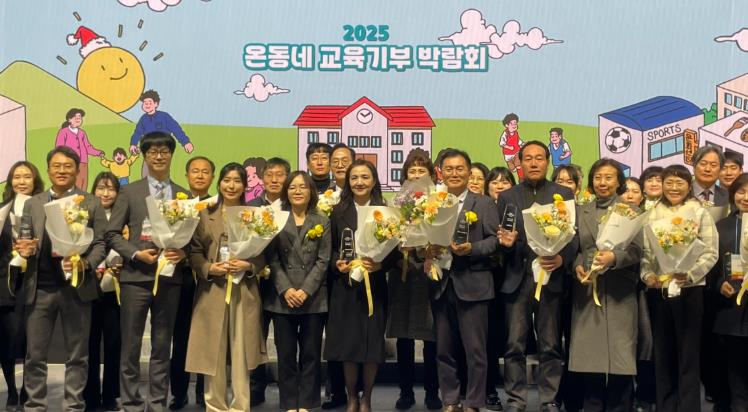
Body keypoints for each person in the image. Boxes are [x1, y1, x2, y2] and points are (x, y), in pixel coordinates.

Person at [106, 132, 190, 412]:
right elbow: (112, 233)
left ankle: (156, 404)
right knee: (130, 347)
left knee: (162, 346)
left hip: (169, 279)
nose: (159, 156)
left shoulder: (184, 195)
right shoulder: (129, 192)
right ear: (144, 156)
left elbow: (193, 239)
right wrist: (134, 253)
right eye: (152, 151)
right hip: (135, 278)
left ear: (171, 154)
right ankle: (131, 404)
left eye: (164, 151)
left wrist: (183, 253)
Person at [20, 147, 107, 411]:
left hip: (76, 288)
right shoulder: (33, 203)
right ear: (48, 170)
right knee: (35, 356)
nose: (61, 171)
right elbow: (24, 236)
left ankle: (73, 406)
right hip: (40, 288)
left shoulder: (90, 202)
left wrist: (85, 263)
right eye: (56, 166)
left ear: (77, 170)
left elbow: (101, 243)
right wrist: (24, 248)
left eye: (68, 166)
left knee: (78, 356)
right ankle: (35, 405)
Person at [497, 141, 577, 412]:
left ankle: (549, 399)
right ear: (520, 163)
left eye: (539, 158)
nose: (533, 163)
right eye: (528, 158)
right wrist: (506, 244)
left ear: (547, 162)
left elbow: (574, 236)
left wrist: (562, 258)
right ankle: (516, 399)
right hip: (517, 280)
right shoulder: (508, 196)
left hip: (550, 279)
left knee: (550, 345)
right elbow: (502, 236)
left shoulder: (563, 194)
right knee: (514, 345)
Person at [185, 163, 267, 411]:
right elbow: (194, 252)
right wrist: (209, 268)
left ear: (245, 186)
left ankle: (240, 405)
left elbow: (264, 254)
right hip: (212, 290)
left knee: (241, 350)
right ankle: (215, 405)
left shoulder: (254, 215)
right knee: (213, 350)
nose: (231, 186)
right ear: (219, 183)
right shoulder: (204, 214)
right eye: (227, 180)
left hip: (244, 289)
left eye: (237, 181)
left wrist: (248, 265)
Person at [426, 149, 500, 412]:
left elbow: (494, 241)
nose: (454, 173)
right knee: (444, 350)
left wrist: (472, 249)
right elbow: (421, 238)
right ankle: (450, 400)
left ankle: (474, 402)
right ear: (440, 173)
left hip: (474, 284)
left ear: (469, 172)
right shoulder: (432, 203)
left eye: (460, 169)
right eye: (449, 169)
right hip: (441, 284)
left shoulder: (484, 203)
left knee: (475, 351)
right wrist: (425, 252)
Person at [641, 165, 718, 412]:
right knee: (662, 353)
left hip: (691, 291)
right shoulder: (651, 213)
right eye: (669, 183)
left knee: (688, 355)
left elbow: (710, 252)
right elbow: (645, 254)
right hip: (660, 291)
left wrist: (690, 274)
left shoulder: (699, 212)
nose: (674, 188)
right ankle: (665, 406)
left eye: (680, 183)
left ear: (689, 185)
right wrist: (648, 275)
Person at [570, 159, 643, 411]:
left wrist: (615, 258)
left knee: (621, 355)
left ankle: (620, 406)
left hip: (620, 292)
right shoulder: (581, 211)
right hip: (588, 290)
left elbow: (638, 250)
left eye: (609, 177)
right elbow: (576, 248)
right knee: (591, 357)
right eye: (598, 177)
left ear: (619, 182)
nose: (603, 182)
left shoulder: (631, 211)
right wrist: (577, 265)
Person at [325, 159, 396, 412]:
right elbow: (329, 249)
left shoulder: (386, 211)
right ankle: (352, 397)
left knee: (372, 345)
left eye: (365, 177)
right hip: (345, 287)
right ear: (348, 181)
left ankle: (367, 398)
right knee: (349, 346)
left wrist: (381, 264)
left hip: (373, 286)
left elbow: (395, 251)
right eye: (354, 177)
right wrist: (337, 264)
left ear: (374, 181)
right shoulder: (337, 211)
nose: (359, 182)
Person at [266, 171, 331, 412]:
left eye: (303, 186)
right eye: (292, 187)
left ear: (311, 191)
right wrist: (286, 289)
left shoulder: (322, 220)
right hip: (282, 298)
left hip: (313, 297)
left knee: (311, 354)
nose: (297, 191)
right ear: (286, 192)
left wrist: (305, 290)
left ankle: (307, 403)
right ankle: (288, 403)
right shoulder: (276, 219)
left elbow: (323, 260)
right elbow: (272, 259)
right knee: (285, 354)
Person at [386, 149, 442, 411]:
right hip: (403, 276)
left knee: (432, 338)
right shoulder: (395, 203)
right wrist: (398, 252)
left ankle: (432, 392)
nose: (417, 175)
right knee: (404, 338)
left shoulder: (439, 202)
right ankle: (405, 392)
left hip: (431, 275)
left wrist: (431, 249)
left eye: (422, 171)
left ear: (431, 175)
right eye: (412, 171)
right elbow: (384, 238)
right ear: (405, 175)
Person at [168, 157, 215, 410]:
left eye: (205, 172)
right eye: (195, 171)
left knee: (207, 337)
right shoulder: (177, 204)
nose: (199, 175)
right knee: (181, 337)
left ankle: (203, 392)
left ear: (212, 178)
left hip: (211, 279)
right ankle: (178, 392)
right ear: (186, 175)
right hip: (183, 278)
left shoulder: (217, 206)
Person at [0, 161, 43, 410]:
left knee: (31, 341)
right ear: (10, 181)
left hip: (34, 280)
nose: (22, 181)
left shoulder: (43, 208)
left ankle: (28, 389)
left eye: (27, 176)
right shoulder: (2, 210)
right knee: (7, 340)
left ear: (35, 180)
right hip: (5, 283)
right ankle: (12, 391)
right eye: (17, 177)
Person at [248, 157, 290, 406]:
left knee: (285, 343)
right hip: (256, 283)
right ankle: (255, 390)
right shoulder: (250, 207)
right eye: (269, 175)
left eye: (280, 175)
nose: (274, 180)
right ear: (262, 178)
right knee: (255, 338)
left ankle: (288, 393)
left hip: (288, 284)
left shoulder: (294, 206)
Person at [690, 146, 729, 411]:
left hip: (721, 276)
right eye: (703, 163)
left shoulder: (728, 196)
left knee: (716, 337)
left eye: (714, 165)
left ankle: (717, 390)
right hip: (688, 275)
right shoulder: (681, 193)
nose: (708, 168)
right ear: (694, 165)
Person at [83, 172, 123, 412]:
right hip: (89, 285)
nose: (105, 193)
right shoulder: (83, 214)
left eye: (111, 189)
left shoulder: (123, 216)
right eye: (100, 188)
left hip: (115, 289)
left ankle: (110, 396)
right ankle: (90, 396)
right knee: (89, 343)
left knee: (113, 344)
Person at [712, 173, 748, 411]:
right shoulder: (722, 226)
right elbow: (712, 266)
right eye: (741, 192)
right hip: (732, 305)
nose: (746, 197)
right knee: (735, 367)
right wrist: (719, 284)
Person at [551, 163, 584, 411]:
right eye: (559, 181)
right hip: (550, 284)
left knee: (575, 341)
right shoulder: (543, 213)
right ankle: (553, 393)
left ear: (578, 187)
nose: (564, 185)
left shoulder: (584, 212)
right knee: (552, 342)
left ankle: (572, 394)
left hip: (577, 285)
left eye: (569, 181)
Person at [483, 166, 515, 411]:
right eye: (495, 182)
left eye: (505, 181)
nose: (500, 185)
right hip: (486, 281)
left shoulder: (517, 210)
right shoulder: (482, 208)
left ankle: (515, 394)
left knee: (513, 340)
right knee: (488, 340)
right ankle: (489, 390)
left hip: (514, 280)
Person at [55, 108, 104, 191]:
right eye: (76, 118)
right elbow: (59, 148)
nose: (78, 119)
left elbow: (88, 147)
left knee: (83, 184)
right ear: (69, 119)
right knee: (72, 185)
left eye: (80, 118)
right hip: (70, 163)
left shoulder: (82, 133)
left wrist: (98, 153)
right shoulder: (63, 132)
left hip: (83, 163)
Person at [498, 113, 524, 179]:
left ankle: (521, 179)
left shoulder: (516, 133)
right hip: (508, 155)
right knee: (512, 169)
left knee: (518, 165)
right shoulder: (505, 134)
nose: (514, 126)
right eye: (512, 124)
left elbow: (518, 140)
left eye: (515, 124)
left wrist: (522, 144)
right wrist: (509, 147)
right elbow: (501, 143)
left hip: (517, 152)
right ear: (507, 125)